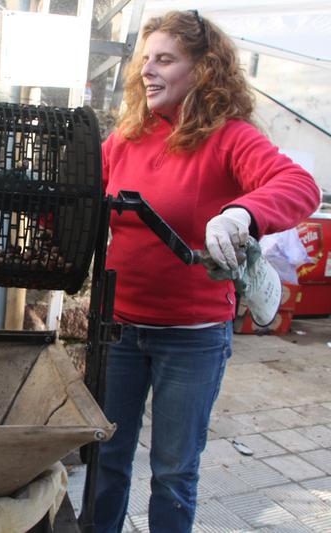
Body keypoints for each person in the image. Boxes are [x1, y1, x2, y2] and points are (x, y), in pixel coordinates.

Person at [94, 10, 320, 533]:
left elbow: (299, 186)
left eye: (165, 59)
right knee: (106, 458)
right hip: (120, 330)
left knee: (173, 471)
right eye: (144, 60)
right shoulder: (126, 138)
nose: (147, 71)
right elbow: (80, 191)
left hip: (191, 339)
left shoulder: (230, 138)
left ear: (203, 68)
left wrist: (243, 212)